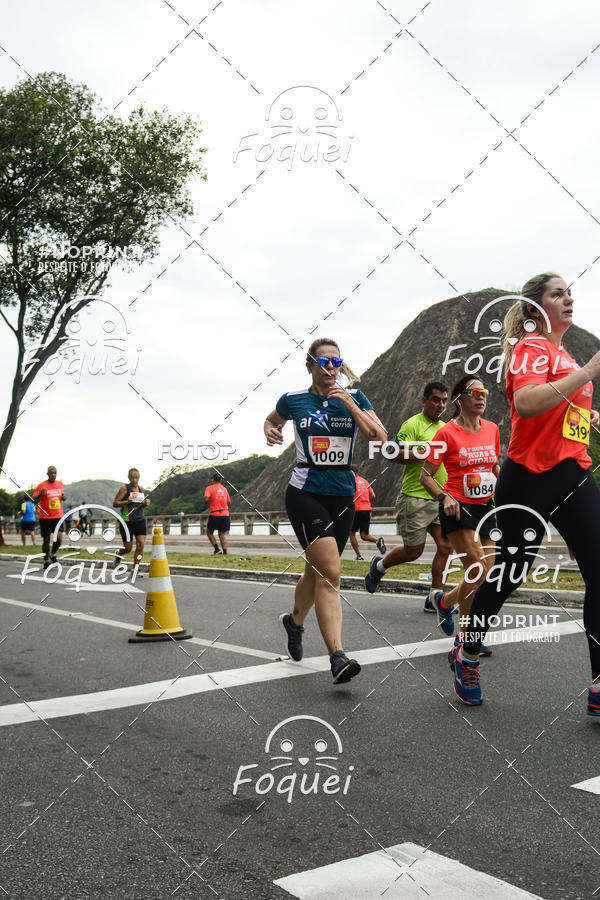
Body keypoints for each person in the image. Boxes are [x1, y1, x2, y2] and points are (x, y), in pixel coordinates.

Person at [454, 273, 600, 715]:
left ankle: (598, 685)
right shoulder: (531, 348)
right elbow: (528, 404)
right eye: (558, 294)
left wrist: (588, 415)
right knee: (512, 572)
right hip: (529, 476)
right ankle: (468, 652)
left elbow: (559, 406)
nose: (568, 298)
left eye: (570, 292)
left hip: (572, 472)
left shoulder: (563, 352)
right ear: (536, 309)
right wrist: (590, 371)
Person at [264, 337, 387, 684]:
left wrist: (351, 405)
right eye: (323, 361)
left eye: (336, 361)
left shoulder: (355, 397)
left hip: (343, 495)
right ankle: (337, 656)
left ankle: (294, 623)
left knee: (315, 571)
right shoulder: (293, 400)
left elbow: (380, 437)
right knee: (331, 571)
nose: (331, 367)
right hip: (305, 493)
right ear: (310, 366)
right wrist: (271, 431)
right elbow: (271, 420)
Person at [419, 376, 500, 656]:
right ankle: (467, 638)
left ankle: (445, 602)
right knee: (478, 570)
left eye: (484, 392)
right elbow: (425, 475)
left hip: (486, 506)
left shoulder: (491, 429)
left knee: (486, 574)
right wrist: (445, 496)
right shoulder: (446, 434)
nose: (481, 397)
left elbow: (494, 465)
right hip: (458, 506)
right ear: (459, 400)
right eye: (474, 392)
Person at [365, 381, 453, 612]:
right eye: (436, 400)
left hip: (439, 496)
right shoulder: (413, 424)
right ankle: (380, 566)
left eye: (444, 400)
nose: (440, 405)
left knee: (446, 547)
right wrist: (422, 453)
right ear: (424, 401)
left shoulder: (445, 427)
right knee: (414, 552)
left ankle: (435, 598)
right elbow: (392, 453)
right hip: (414, 497)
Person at [113, 468, 150, 574]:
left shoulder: (142, 489)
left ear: (139, 477)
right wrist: (126, 501)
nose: (134, 480)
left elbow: (140, 506)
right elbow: (115, 503)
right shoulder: (124, 489)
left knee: (141, 544)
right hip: (127, 521)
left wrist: (145, 504)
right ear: (129, 477)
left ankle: (135, 568)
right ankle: (118, 554)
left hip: (140, 520)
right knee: (128, 548)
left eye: (136, 477)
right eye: (132, 477)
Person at [348, 466, 386, 560]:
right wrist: (364, 501)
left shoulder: (350, 481)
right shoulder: (365, 481)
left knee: (351, 533)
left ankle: (359, 556)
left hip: (356, 510)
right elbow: (373, 495)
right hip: (366, 509)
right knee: (364, 535)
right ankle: (377, 541)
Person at [32, 466, 66, 569]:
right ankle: (46, 560)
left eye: (55, 473)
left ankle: (52, 554)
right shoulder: (42, 485)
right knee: (46, 540)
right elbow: (33, 500)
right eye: (51, 473)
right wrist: (40, 495)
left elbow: (61, 496)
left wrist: (63, 497)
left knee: (59, 539)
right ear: (47, 474)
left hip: (57, 516)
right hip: (45, 517)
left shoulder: (60, 484)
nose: (53, 475)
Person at [204, 474, 231, 555]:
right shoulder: (224, 489)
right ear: (221, 480)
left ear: (213, 479)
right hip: (225, 513)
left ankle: (217, 549)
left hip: (215, 513)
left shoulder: (209, 488)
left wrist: (209, 500)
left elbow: (206, 499)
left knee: (209, 532)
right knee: (221, 534)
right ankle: (225, 552)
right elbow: (229, 502)